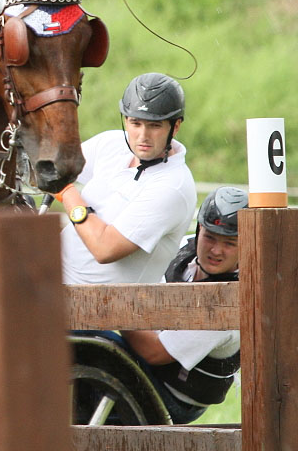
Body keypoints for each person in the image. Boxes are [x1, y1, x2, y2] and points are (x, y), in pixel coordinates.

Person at [117, 186, 246, 423]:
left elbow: (156, 352)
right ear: (199, 231)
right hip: (149, 369)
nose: (215, 250)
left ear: (247, 246)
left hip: (174, 397)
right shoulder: (185, 248)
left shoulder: (228, 301)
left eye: (229, 243)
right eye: (210, 237)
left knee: (90, 337)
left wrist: (112, 313)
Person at [57, 73, 197, 284]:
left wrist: (67, 194)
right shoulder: (112, 143)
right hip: (50, 281)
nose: (143, 136)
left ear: (175, 127)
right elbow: (56, 166)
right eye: (136, 123)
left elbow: (104, 248)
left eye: (155, 125)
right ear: (125, 120)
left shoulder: (173, 186)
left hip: (104, 309)